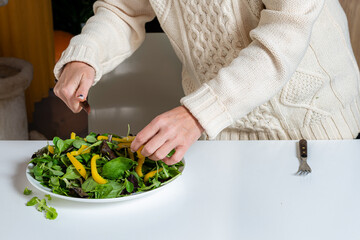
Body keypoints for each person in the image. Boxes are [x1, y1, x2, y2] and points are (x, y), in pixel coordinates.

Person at [54, 0, 360, 165]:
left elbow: (285, 34)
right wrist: (86, 54)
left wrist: (199, 113)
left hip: (313, 130)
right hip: (222, 134)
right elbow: (122, 9)